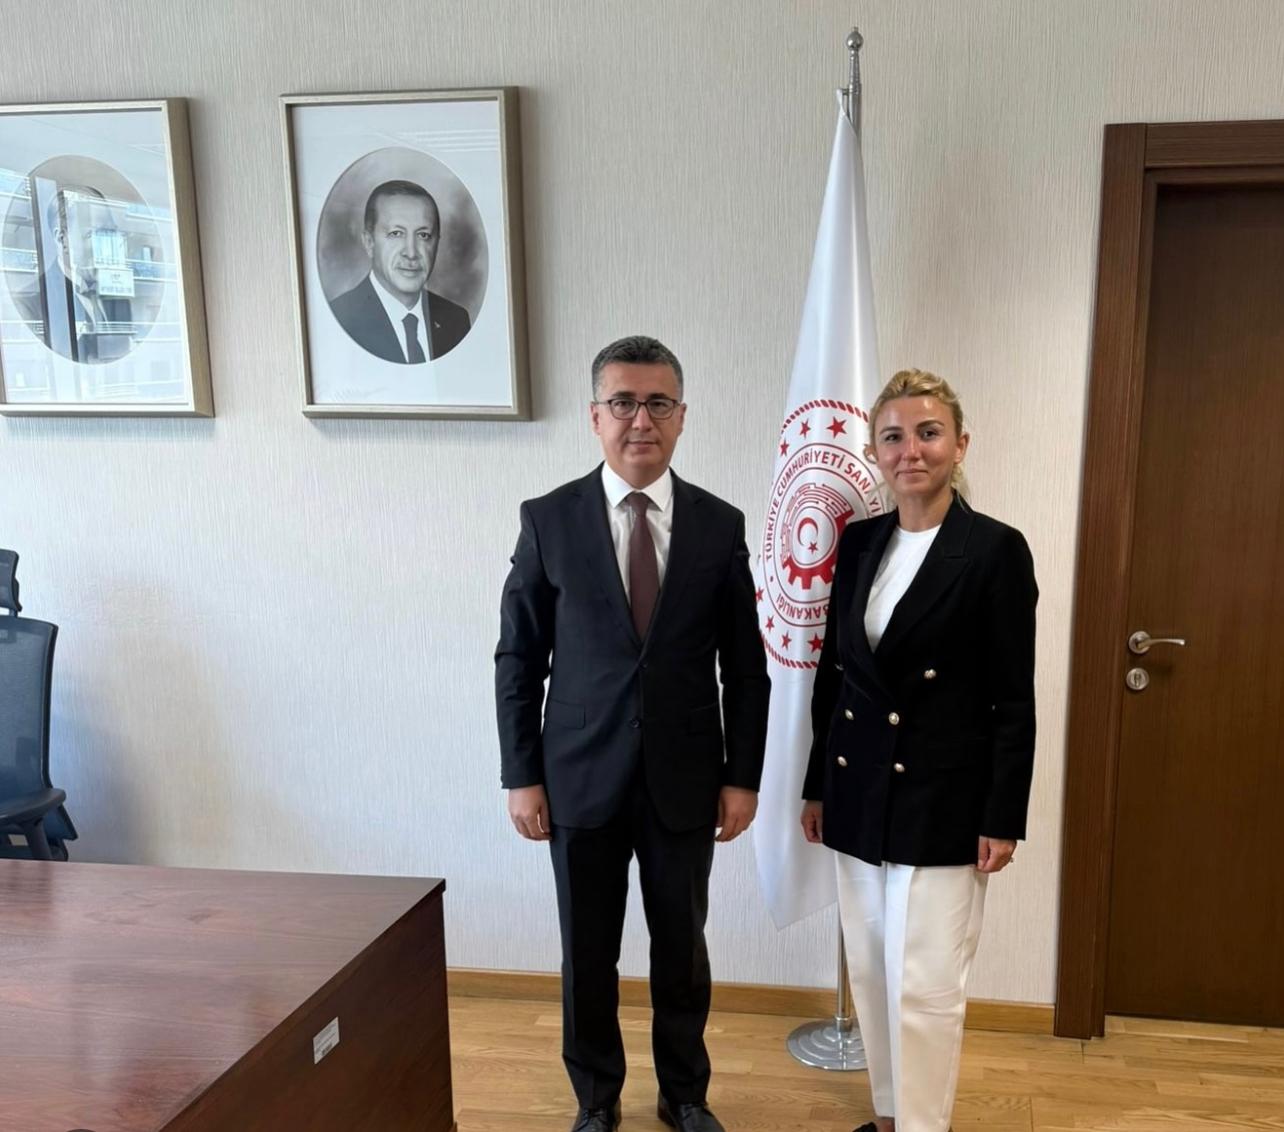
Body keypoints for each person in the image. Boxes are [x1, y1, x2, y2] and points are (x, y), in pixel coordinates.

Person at [495, 335, 769, 1132]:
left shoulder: (719, 524)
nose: (639, 420)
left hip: (686, 779)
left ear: (682, 417)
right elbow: (519, 658)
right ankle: (596, 1098)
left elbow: (745, 666)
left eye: (657, 403)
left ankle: (685, 1094)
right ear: (595, 416)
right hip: (578, 779)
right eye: (623, 402)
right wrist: (521, 774)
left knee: (682, 950)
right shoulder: (548, 520)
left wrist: (743, 776)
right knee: (587, 952)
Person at [801, 369, 1037, 1132]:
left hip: (945, 798)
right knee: (872, 970)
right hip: (858, 789)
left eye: (929, 433)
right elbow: (835, 675)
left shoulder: (995, 550)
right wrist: (817, 786)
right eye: (894, 436)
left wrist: (1002, 816)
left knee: (926, 985)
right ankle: (889, 1117)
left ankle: (924, 1127)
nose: (912, 450)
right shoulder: (861, 541)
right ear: (875, 451)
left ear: (959, 445)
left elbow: (1013, 698)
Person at [328, 180, 470, 362]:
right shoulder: (340, 319)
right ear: (369, 242)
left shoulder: (456, 320)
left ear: (436, 243)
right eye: (396, 234)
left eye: (423, 235)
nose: (411, 253)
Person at [12, 182, 135, 363]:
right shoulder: (30, 306)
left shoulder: (119, 299)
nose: (107, 247)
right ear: (62, 239)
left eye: (111, 233)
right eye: (93, 234)